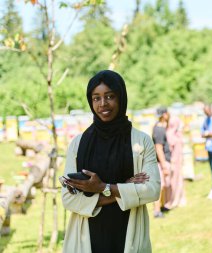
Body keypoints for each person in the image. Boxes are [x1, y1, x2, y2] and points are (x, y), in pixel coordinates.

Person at [60, 70, 161, 253]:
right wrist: (122, 189)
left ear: (121, 97)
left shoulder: (141, 141)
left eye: (110, 96)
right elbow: (68, 199)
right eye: (96, 98)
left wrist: (102, 187)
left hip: (128, 234)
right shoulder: (78, 143)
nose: (103, 104)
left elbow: (152, 190)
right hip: (87, 238)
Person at [152, 107, 171, 217]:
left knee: (164, 185)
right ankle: (157, 210)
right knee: (161, 186)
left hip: (162, 161)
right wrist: (164, 165)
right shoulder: (159, 129)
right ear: (164, 115)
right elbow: (158, 148)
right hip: (161, 162)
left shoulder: (158, 127)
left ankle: (162, 206)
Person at [166, 115, 186, 208]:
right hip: (175, 161)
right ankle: (175, 199)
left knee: (177, 180)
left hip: (176, 161)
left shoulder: (174, 133)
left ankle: (177, 199)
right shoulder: (173, 133)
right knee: (175, 181)